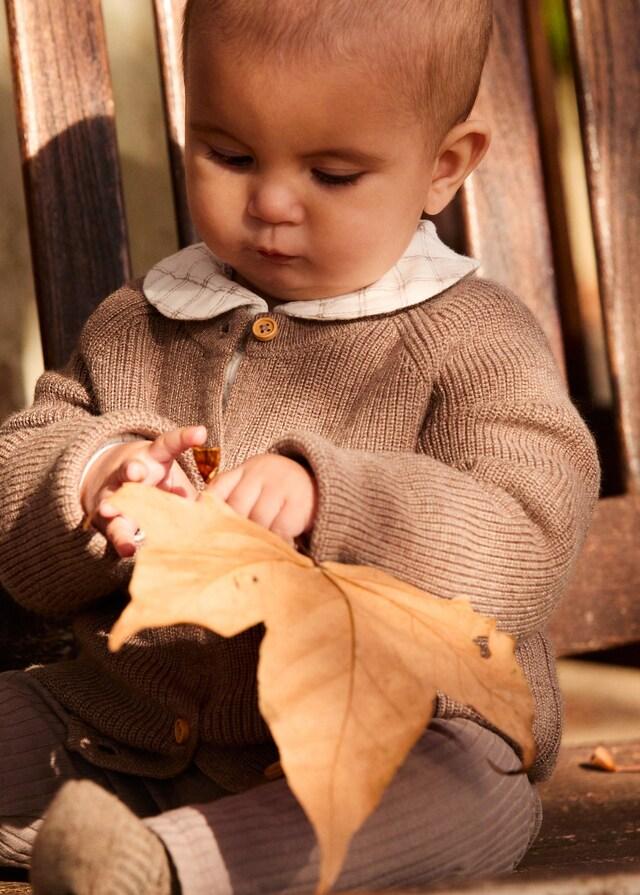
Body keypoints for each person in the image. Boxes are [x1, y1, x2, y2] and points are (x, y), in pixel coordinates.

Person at [0, 1, 600, 893]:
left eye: (332, 172)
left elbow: (526, 531)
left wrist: (333, 497)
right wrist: (93, 478)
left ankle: (165, 867)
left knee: (475, 785)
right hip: (114, 722)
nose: (273, 201)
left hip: (375, 739)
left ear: (443, 168)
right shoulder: (141, 323)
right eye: (230, 155)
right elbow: (21, 483)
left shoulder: (475, 340)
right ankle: (96, 847)